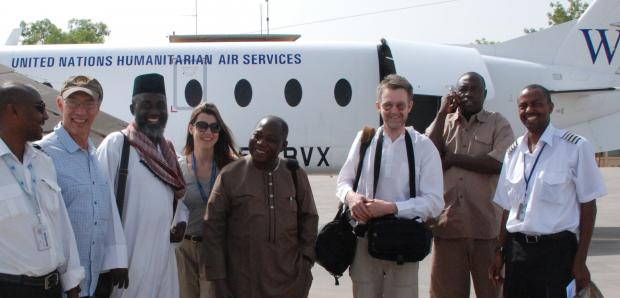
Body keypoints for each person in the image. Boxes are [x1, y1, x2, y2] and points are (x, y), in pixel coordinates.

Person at [489, 84, 607, 297]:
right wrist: (499, 251)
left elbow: (589, 206)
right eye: (523, 106)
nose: (529, 110)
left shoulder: (575, 147)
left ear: (550, 107)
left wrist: (580, 261)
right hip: (517, 251)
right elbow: (508, 208)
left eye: (537, 104)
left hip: (557, 252)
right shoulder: (513, 152)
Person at [336, 74, 444, 298]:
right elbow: (343, 182)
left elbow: (435, 203)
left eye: (400, 105)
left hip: (403, 243)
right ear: (378, 106)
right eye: (388, 105)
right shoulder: (365, 140)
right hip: (365, 239)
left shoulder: (423, 147)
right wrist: (352, 198)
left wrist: (392, 208)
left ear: (410, 106)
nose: (394, 110)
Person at [204, 115, 318, 298]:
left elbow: (309, 219)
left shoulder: (295, 175)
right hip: (241, 285)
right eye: (257, 136)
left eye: (271, 140)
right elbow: (213, 230)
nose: (261, 143)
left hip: (290, 285)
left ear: (283, 146)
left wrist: (306, 263)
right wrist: (219, 281)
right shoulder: (230, 176)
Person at [96, 73, 187, 298]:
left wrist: (181, 219)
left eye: (160, 105)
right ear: (132, 108)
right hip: (127, 260)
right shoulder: (118, 144)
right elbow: (99, 202)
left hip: (162, 257)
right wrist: (113, 258)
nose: (155, 111)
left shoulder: (166, 151)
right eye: (146, 104)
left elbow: (175, 194)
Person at [37, 76, 129, 298]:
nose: (81, 111)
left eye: (89, 103)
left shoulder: (95, 158)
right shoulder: (41, 154)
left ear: (98, 108)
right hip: (59, 288)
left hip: (91, 286)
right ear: (60, 104)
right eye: (73, 103)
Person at [425, 72, 514, 298]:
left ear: (484, 94)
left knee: (492, 292)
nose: (468, 94)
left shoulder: (498, 123)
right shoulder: (444, 123)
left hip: (486, 229)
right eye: (463, 89)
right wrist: (441, 112)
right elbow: (428, 158)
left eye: (474, 89)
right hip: (448, 228)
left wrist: (453, 159)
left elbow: (497, 163)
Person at [0, 82, 84, 298]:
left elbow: (61, 224)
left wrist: (71, 280)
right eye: (39, 108)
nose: (46, 116)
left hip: (52, 289)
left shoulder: (42, 161)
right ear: (13, 111)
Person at [176, 102, 239, 298]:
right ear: (191, 127)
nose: (208, 132)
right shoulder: (177, 167)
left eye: (214, 127)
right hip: (184, 250)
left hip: (216, 250)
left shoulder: (230, 168)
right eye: (202, 126)